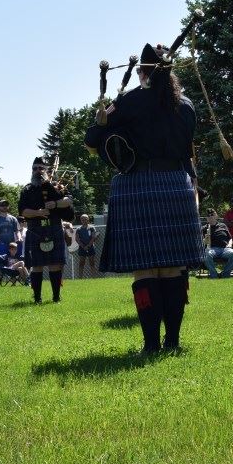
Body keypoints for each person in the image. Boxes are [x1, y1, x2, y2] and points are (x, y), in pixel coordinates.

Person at [85, 41, 203, 353]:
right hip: (177, 185)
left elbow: (92, 140)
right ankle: (172, 342)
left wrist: (104, 120)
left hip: (138, 185)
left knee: (146, 269)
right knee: (174, 267)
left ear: (143, 72)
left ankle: (151, 344)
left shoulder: (130, 101)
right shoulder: (187, 105)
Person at [18, 158, 74, 303]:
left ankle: (56, 297)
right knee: (36, 266)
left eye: (41, 168)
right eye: (35, 168)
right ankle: (37, 298)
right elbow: (23, 211)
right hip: (35, 229)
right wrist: (38, 212)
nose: (38, 171)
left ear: (46, 170)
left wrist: (55, 203)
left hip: (54, 227)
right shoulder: (27, 190)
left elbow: (69, 201)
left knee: (55, 264)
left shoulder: (56, 187)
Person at [203, 208, 233, 278]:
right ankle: (214, 275)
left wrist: (230, 244)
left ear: (216, 216)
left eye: (212, 215)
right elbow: (201, 242)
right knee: (206, 254)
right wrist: (205, 240)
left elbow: (230, 238)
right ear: (207, 218)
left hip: (225, 249)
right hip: (212, 249)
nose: (211, 217)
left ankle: (225, 274)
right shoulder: (204, 228)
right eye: (208, 216)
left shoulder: (223, 225)